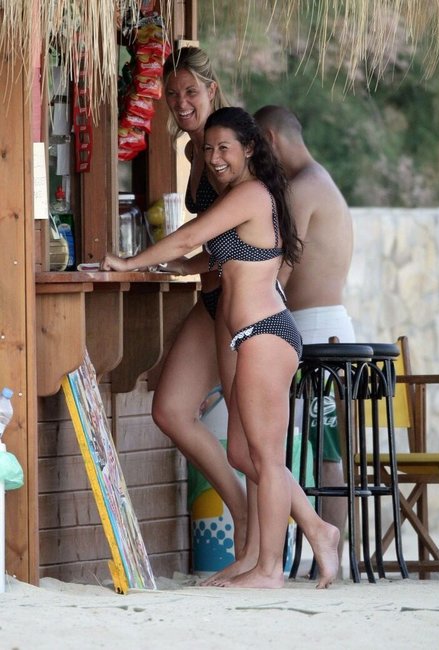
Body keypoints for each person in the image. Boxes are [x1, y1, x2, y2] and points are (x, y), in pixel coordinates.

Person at [101, 106, 339, 589]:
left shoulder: (251, 193)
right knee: (243, 454)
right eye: (207, 149)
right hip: (246, 335)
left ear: (249, 148)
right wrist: (170, 267)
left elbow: (190, 235)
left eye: (223, 148)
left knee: (265, 458)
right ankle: (305, 536)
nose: (213, 157)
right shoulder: (240, 196)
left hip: (265, 333)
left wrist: (129, 262)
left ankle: (270, 569)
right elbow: (211, 256)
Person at [148, 47, 249, 558]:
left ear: (211, 89)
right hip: (208, 299)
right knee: (170, 411)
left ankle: (311, 530)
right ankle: (243, 513)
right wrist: (186, 265)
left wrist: (157, 259)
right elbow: (213, 241)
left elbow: (251, 230)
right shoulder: (193, 151)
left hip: (238, 304)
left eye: (190, 91)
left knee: (247, 443)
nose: (181, 102)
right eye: (171, 94)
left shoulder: (229, 147)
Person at [254, 105, 356, 565]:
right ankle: (322, 549)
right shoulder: (320, 181)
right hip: (319, 327)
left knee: (326, 449)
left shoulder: (305, 187)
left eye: (257, 150)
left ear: (270, 138)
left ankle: (332, 552)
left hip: (318, 333)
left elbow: (280, 268)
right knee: (310, 446)